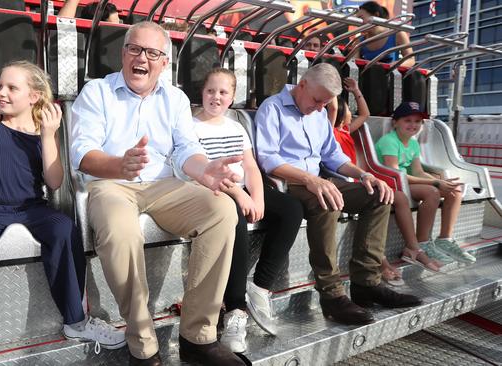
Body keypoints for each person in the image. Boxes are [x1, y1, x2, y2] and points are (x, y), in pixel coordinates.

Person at [0, 1, 125, 365]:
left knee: (64, 229)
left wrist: (50, 136)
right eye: (0, 85)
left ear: (34, 96)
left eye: (11, 88)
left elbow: (54, 182)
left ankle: (76, 320)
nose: (1, 92)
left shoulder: (44, 129)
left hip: (34, 209)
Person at [70, 21, 245, 366]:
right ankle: (143, 343)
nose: (142, 58)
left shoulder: (176, 98)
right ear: (123, 53)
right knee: (119, 230)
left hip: (165, 185)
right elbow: (82, 153)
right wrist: (119, 165)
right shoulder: (97, 92)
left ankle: (198, 335)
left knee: (223, 209)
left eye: (152, 53)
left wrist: (204, 170)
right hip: (112, 183)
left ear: (165, 63)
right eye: (134, 49)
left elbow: (186, 150)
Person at [254, 63, 422, 326]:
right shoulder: (273, 108)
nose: (321, 109)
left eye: (326, 103)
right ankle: (331, 295)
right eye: (318, 101)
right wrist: (311, 180)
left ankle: (366, 283)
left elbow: (333, 156)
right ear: (302, 86)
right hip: (288, 183)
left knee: (379, 195)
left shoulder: (319, 114)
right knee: (327, 201)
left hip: (319, 180)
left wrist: (364, 175)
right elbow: (268, 160)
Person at [193, 68, 304, 353]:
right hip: (213, 190)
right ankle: (235, 309)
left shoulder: (236, 126)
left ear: (232, 98)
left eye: (222, 93)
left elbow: (251, 167)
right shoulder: (192, 126)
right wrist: (241, 198)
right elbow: (201, 171)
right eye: (210, 91)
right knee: (236, 220)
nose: (215, 97)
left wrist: (258, 198)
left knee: (291, 209)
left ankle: (260, 286)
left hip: (242, 189)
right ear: (202, 92)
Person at [326, 79, 437, 285]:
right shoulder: (329, 132)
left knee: (398, 197)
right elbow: (333, 107)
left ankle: (414, 247)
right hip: (342, 181)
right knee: (382, 199)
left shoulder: (346, 131)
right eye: (348, 110)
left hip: (358, 179)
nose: (353, 113)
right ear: (340, 114)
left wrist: (357, 91)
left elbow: (365, 115)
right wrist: (333, 88)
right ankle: (381, 261)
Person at [376, 102, 476, 266]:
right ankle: (422, 242)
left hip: (405, 181)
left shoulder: (413, 143)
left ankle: (445, 239)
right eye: (407, 120)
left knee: (455, 190)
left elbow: (417, 171)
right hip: (392, 183)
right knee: (432, 192)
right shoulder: (389, 141)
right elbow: (395, 175)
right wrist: (435, 183)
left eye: (417, 121)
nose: (413, 125)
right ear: (395, 122)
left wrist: (441, 182)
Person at [355, 1, 415, 67]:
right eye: (357, 20)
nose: (358, 23)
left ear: (376, 15)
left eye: (361, 18)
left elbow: (410, 59)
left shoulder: (397, 34)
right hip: (368, 75)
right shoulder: (359, 40)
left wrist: (397, 65)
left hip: (391, 75)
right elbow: (354, 62)